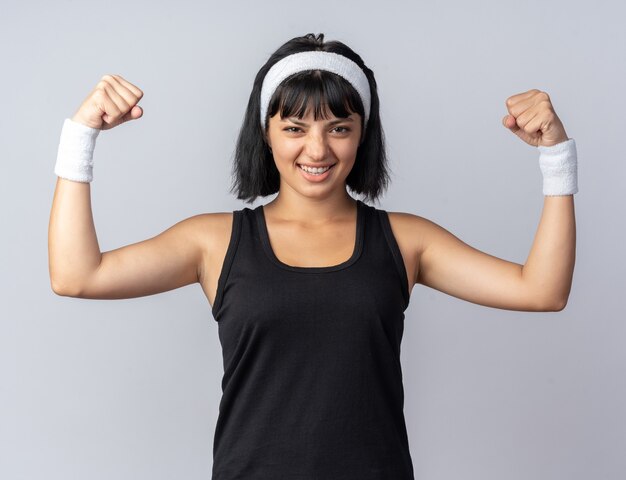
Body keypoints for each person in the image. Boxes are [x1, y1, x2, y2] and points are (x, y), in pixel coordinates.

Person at [48, 33, 577, 479]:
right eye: (295, 128)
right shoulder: (213, 241)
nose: (318, 151)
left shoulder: (407, 240)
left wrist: (556, 157)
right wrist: (81, 135)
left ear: (361, 135)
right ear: (266, 134)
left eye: (339, 128)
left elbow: (542, 291)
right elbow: (77, 276)